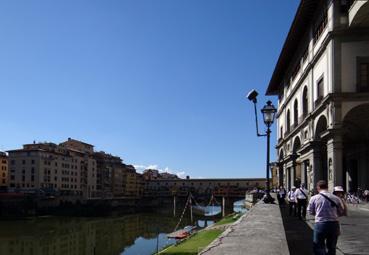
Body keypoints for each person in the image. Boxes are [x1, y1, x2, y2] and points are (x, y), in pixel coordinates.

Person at [308, 180, 345, 255]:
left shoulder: (314, 198)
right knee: (332, 247)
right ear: (327, 187)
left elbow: (310, 212)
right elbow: (341, 211)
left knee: (318, 246)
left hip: (320, 223)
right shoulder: (336, 198)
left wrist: (318, 213)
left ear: (318, 187)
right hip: (334, 224)